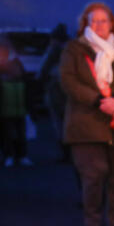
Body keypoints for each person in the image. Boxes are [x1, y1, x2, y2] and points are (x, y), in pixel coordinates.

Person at [59, 1, 114, 226]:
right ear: (85, 24)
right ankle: (92, 225)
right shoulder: (75, 50)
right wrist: (97, 100)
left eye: (103, 20)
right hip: (87, 123)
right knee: (94, 175)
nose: (98, 25)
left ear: (112, 24)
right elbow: (68, 81)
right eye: (93, 21)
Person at [0, 39, 31, 167]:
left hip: (18, 104)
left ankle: (20, 155)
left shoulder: (16, 63)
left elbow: (26, 83)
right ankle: (10, 155)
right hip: (5, 105)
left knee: (19, 132)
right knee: (6, 132)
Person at [39, 23, 70, 157]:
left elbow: (43, 70)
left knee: (59, 120)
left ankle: (65, 150)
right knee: (65, 119)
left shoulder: (54, 51)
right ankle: (69, 150)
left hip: (56, 88)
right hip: (66, 89)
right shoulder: (70, 50)